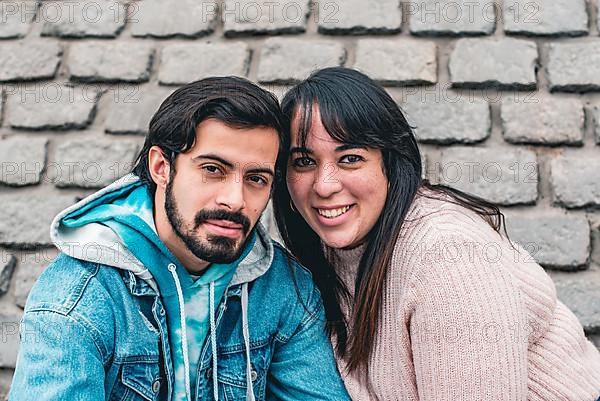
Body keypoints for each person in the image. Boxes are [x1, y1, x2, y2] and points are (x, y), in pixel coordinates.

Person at [9, 77, 351, 401]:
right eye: (212, 169)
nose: (234, 200)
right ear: (161, 167)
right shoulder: (77, 301)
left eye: (256, 179)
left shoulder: (284, 288)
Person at [273, 67, 600, 401]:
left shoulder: (449, 260)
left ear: (390, 162)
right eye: (303, 162)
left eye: (351, 159)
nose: (325, 185)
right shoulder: (324, 252)